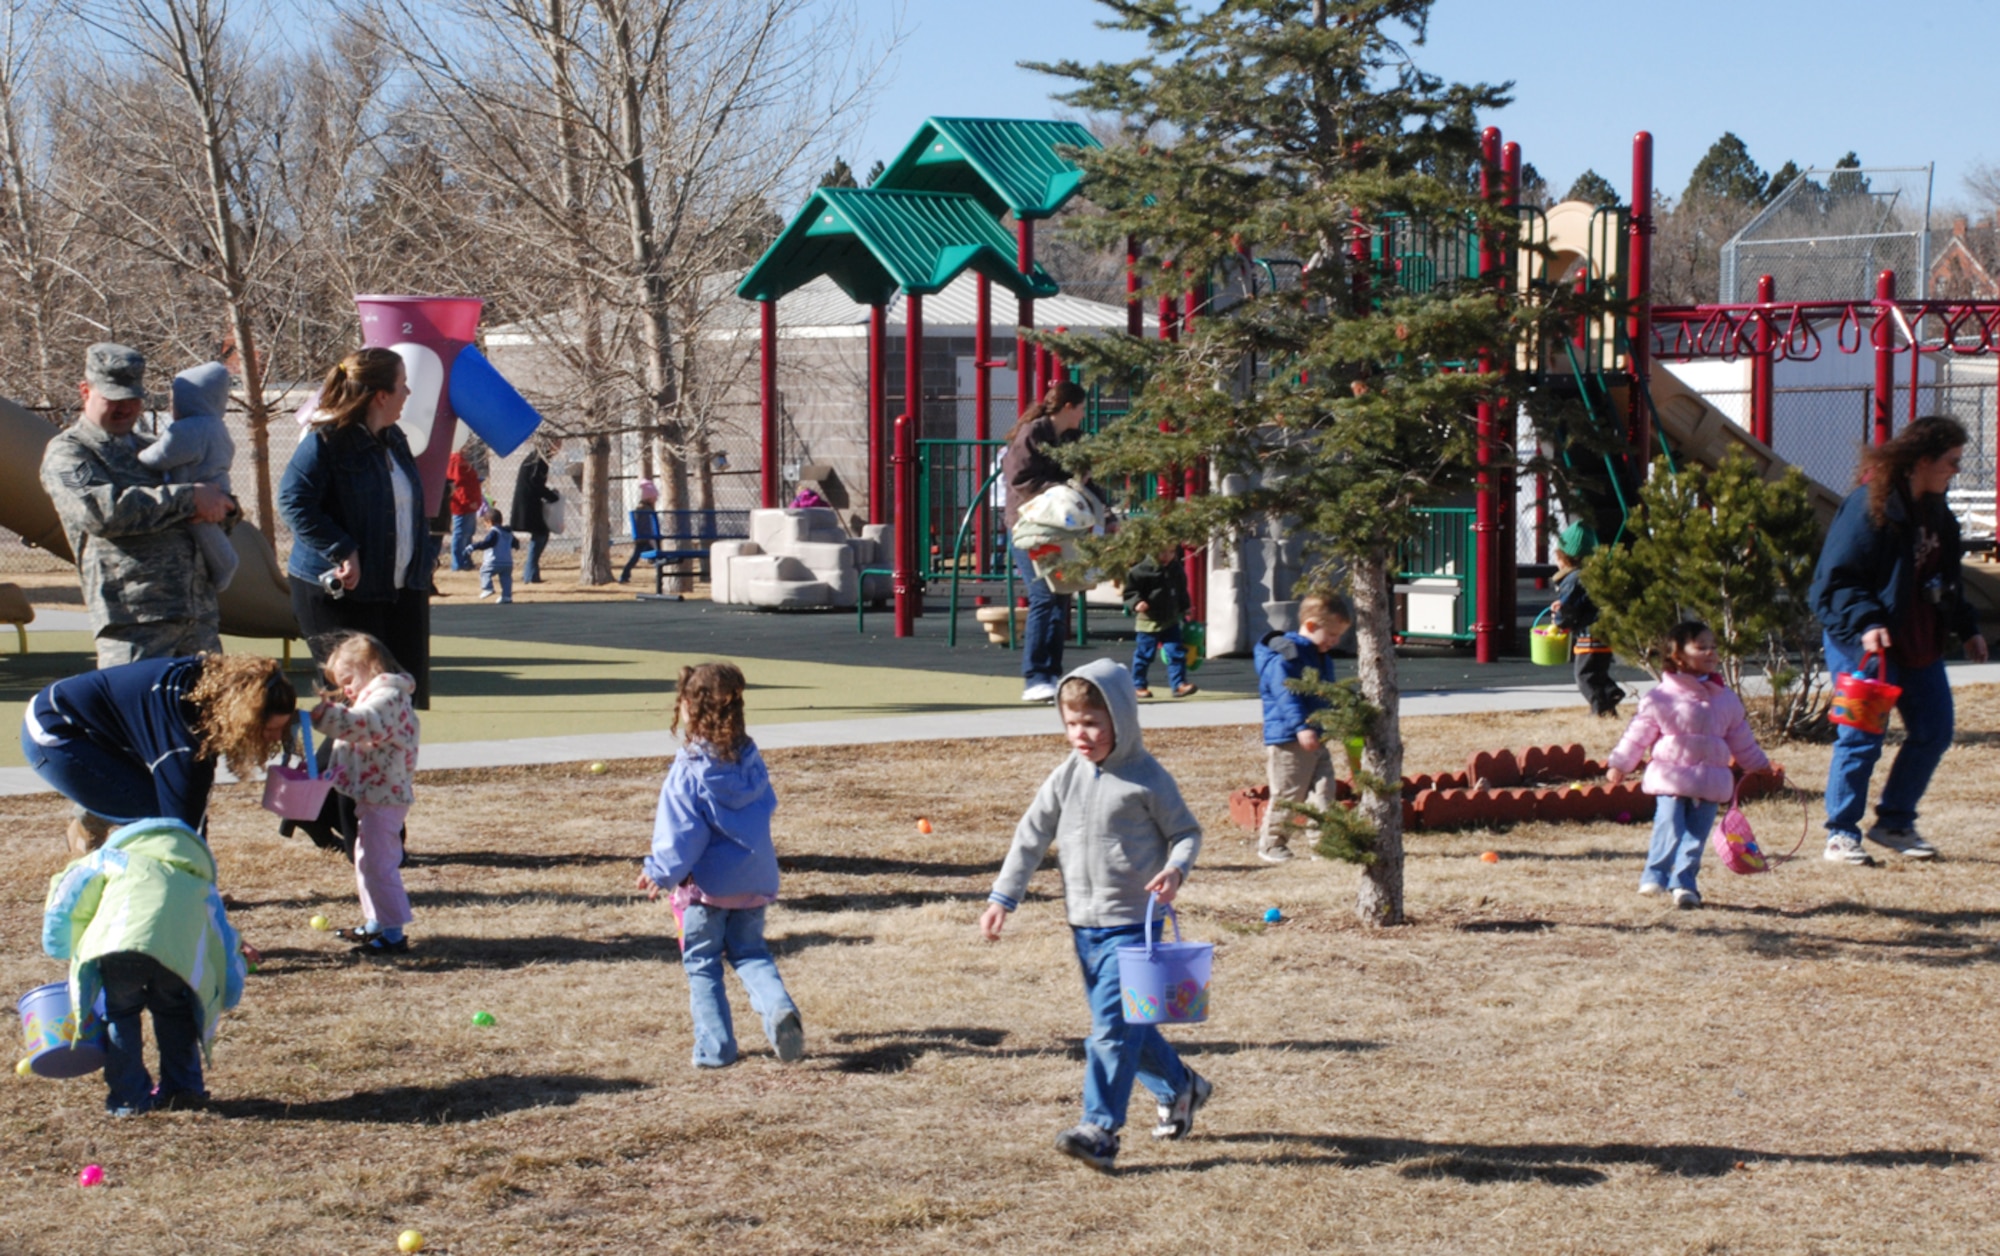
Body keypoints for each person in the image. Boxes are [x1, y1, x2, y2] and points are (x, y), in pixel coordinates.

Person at [980, 658, 1208, 1172]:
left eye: (1092, 723)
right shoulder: (1065, 776)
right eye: (1071, 723)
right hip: (1084, 926)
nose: (1080, 735)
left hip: (1133, 922)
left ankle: (1099, 1130)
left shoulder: (1147, 777)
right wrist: (1002, 898)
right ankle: (1181, 1086)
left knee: (1109, 1030)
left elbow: (1186, 833)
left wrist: (1175, 870)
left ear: (1121, 720)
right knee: (1127, 1026)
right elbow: (1030, 837)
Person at [1810, 415, 1989, 865]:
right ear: (1923, 460)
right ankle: (1841, 834)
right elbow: (1836, 580)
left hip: (1919, 643)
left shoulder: (1938, 513)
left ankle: (1894, 822)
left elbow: (1947, 580)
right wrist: (1866, 621)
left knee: (1934, 731)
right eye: (1950, 461)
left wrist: (1967, 629)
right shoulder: (1871, 506)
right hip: (1867, 647)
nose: (1955, 471)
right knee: (1861, 736)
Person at [636, 662, 806, 1068]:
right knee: (750, 953)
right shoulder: (750, 759)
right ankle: (779, 1010)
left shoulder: (690, 768)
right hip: (752, 880)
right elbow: (767, 806)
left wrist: (660, 870)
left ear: (690, 710)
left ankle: (716, 1049)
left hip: (705, 890)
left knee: (703, 964)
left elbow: (681, 832)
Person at [40, 342, 233, 666]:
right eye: (113, 399)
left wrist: (224, 507)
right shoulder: (71, 453)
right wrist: (190, 498)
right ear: (85, 391)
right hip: (134, 625)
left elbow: (213, 511)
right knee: (133, 715)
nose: (125, 408)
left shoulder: (157, 448)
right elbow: (101, 512)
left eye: (133, 399)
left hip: (197, 619)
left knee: (209, 717)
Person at [43, 815, 247, 1115]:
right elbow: (224, 943)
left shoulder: (114, 860)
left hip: (121, 948)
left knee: (121, 1014)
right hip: (178, 959)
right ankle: (183, 1089)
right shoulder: (199, 885)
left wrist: (58, 942)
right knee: (175, 1013)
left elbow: (68, 892)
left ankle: (129, 1099)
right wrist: (231, 989)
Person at [278, 347, 435, 706]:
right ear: (382, 395)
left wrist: (422, 560)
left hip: (398, 591)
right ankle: (330, 765)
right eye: (403, 386)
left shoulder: (394, 439)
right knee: (355, 708)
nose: (408, 394)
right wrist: (342, 547)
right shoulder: (325, 440)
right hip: (339, 596)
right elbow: (293, 501)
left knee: (397, 703)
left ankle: (382, 766)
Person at [20, 653, 296, 835]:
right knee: (157, 823)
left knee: (168, 813)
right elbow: (181, 830)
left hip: (80, 719)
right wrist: (199, 893)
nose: (275, 738)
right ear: (242, 719)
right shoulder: (182, 743)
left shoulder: (209, 687)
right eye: (269, 730)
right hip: (55, 734)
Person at [1605, 621, 1771, 910]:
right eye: (1701, 646)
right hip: (1672, 777)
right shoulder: (1662, 697)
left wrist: (1757, 764)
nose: (1710, 652)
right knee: (1669, 825)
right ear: (1678, 656)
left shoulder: (1725, 699)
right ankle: (1654, 875)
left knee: (1696, 838)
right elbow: (1637, 734)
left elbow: (1741, 738)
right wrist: (1620, 763)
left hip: (1711, 780)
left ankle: (1684, 883)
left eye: (1714, 647)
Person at [307, 633, 421, 955]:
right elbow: (357, 745)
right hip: (373, 794)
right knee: (365, 860)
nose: (344, 689)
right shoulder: (375, 697)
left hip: (385, 797)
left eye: (347, 680)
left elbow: (367, 726)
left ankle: (394, 933)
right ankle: (376, 921)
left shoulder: (388, 698)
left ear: (368, 667)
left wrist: (330, 718)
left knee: (379, 865)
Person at [1003, 381, 1093, 703]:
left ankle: (1051, 673)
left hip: (1060, 528)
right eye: (1081, 408)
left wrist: (1104, 514)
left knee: (1061, 596)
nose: (1084, 415)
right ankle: (1035, 676)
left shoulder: (1072, 439)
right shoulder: (1032, 434)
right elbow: (1020, 479)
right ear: (1068, 407)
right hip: (1030, 526)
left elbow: (1087, 481)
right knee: (1043, 594)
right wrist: (1062, 488)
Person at [1254, 591, 1352, 863]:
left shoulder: (1321, 656)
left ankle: (1323, 844)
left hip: (1316, 737)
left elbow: (1325, 693)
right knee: (1289, 793)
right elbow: (1287, 695)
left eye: (1338, 636)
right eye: (1331, 634)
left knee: (1323, 790)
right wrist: (1300, 727)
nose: (1335, 641)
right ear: (1310, 626)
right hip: (1289, 739)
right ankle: (1271, 843)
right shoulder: (1289, 656)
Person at [137, 361, 240, 593]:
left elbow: (161, 456)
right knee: (212, 533)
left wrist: (140, 455)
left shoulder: (189, 429)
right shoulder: (217, 427)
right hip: (219, 487)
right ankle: (225, 565)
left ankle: (226, 566)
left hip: (198, 492)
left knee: (206, 533)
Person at [1549, 521, 1622, 716]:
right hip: (1604, 631)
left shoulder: (1573, 579)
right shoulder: (1592, 575)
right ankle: (1610, 697)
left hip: (1589, 634)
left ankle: (1600, 708)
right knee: (1597, 672)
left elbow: (1569, 607)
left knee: (1585, 676)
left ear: (1565, 558)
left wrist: (1559, 621)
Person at [1124, 546, 1197, 699]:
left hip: (1170, 619)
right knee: (1144, 654)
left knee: (1176, 652)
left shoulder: (1175, 569)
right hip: (1148, 620)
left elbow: (1181, 590)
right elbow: (1130, 591)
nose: (1167, 556)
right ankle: (1138, 685)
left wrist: (1185, 607)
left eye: (1171, 552)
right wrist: (1137, 602)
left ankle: (1179, 684)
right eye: (1162, 551)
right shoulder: (1142, 570)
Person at [511, 436, 562, 584]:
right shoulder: (539, 459)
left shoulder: (539, 457)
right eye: (558, 443)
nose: (559, 447)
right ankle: (530, 574)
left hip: (531, 502)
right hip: (529, 504)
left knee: (541, 535)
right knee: (540, 535)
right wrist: (551, 495)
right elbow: (535, 483)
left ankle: (531, 573)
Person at [445, 439, 486, 571]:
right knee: (460, 533)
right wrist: (468, 501)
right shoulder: (455, 461)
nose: (467, 447)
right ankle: (457, 563)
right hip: (463, 505)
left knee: (468, 533)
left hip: (470, 503)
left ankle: (466, 560)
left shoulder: (461, 460)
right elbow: (457, 484)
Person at [471, 506, 517, 603]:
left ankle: (488, 588)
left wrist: (474, 547)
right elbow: (515, 543)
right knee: (506, 579)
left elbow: (487, 543)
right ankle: (507, 596)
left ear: (489, 522)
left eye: (485, 523)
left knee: (484, 571)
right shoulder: (508, 533)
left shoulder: (494, 532)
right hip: (507, 562)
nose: (485, 526)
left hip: (493, 561)